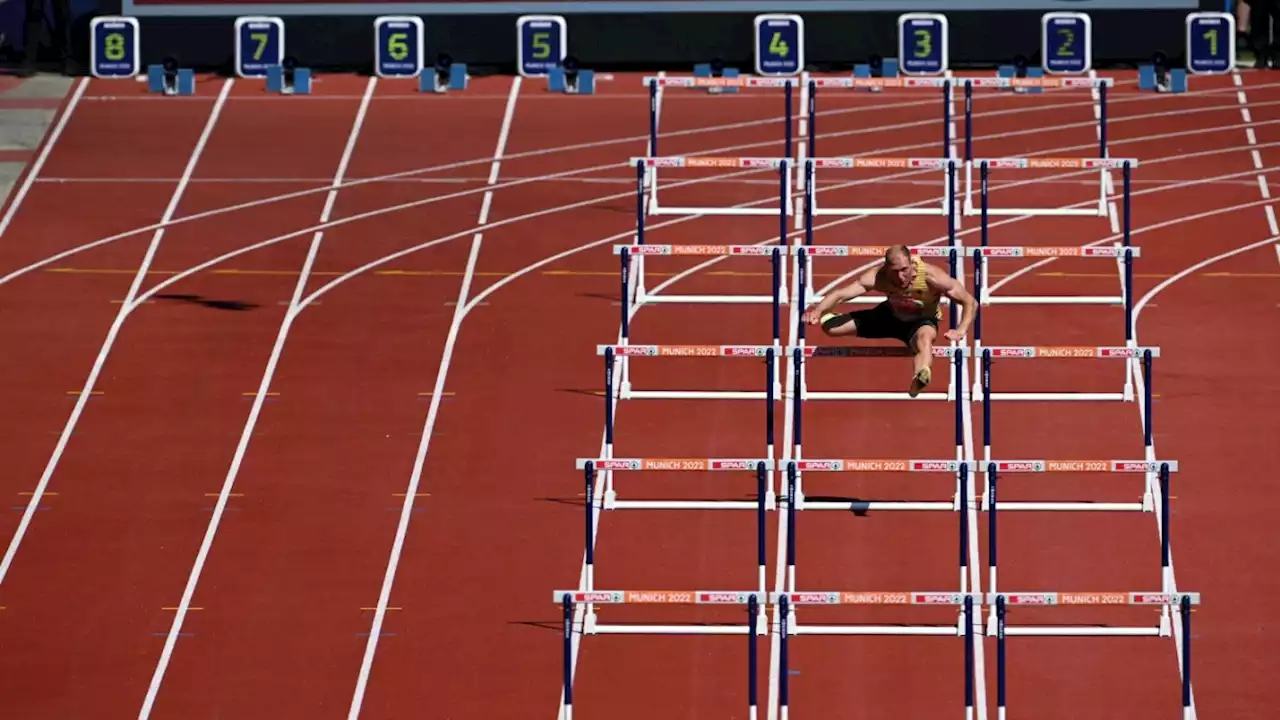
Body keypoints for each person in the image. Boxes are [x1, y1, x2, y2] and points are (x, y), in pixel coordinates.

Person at [802, 244, 978, 398]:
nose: (901, 277)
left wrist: (961, 329)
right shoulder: (879, 277)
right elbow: (840, 294)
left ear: (911, 265)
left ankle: (920, 375)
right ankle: (828, 317)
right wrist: (817, 311)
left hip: (921, 321)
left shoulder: (932, 278)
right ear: (886, 268)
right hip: (889, 316)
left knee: (925, 340)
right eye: (895, 272)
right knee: (830, 329)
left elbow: (970, 302)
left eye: (905, 270)